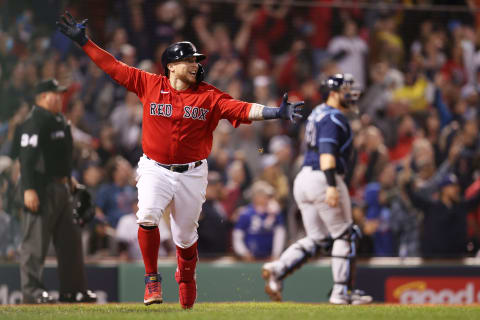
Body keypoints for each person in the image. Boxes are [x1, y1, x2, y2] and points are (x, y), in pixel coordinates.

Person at [57, 12, 303, 309]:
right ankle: (151, 279)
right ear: (172, 65)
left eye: (197, 61)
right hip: (154, 167)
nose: (196, 65)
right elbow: (113, 67)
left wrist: (275, 112)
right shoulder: (149, 84)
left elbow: (240, 108)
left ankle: (186, 278)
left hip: (192, 173)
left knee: (185, 237)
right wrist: (85, 42)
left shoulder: (208, 95)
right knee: (146, 215)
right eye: (190, 60)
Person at [261, 74, 373, 304]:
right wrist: (331, 185)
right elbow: (326, 152)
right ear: (333, 92)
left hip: (304, 179)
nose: (350, 94)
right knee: (346, 234)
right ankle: (342, 292)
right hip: (323, 176)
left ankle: (278, 270)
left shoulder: (317, 114)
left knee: (318, 238)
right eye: (346, 89)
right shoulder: (333, 117)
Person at [11, 78, 96, 304]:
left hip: (61, 186)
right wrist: (29, 188)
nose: (59, 97)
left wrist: (70, 181)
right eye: (55, 93)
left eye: (60, 93)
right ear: (42, 97)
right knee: (35, 243)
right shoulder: (34, 121)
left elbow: (63, 158)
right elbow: (26, 158)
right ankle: (32, 292)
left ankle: (73, 290)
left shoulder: (60, 120)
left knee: (70, 240)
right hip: (39, 187)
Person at [232, 180, 286, 260]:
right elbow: (237, 235)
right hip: (250, 258)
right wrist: (244, 252)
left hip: (269, 258)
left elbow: (280, 233)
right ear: (256, 197)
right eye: (265, 196)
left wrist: (276, 253)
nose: (268, 199)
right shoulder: (246, 213)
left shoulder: (274, 213)